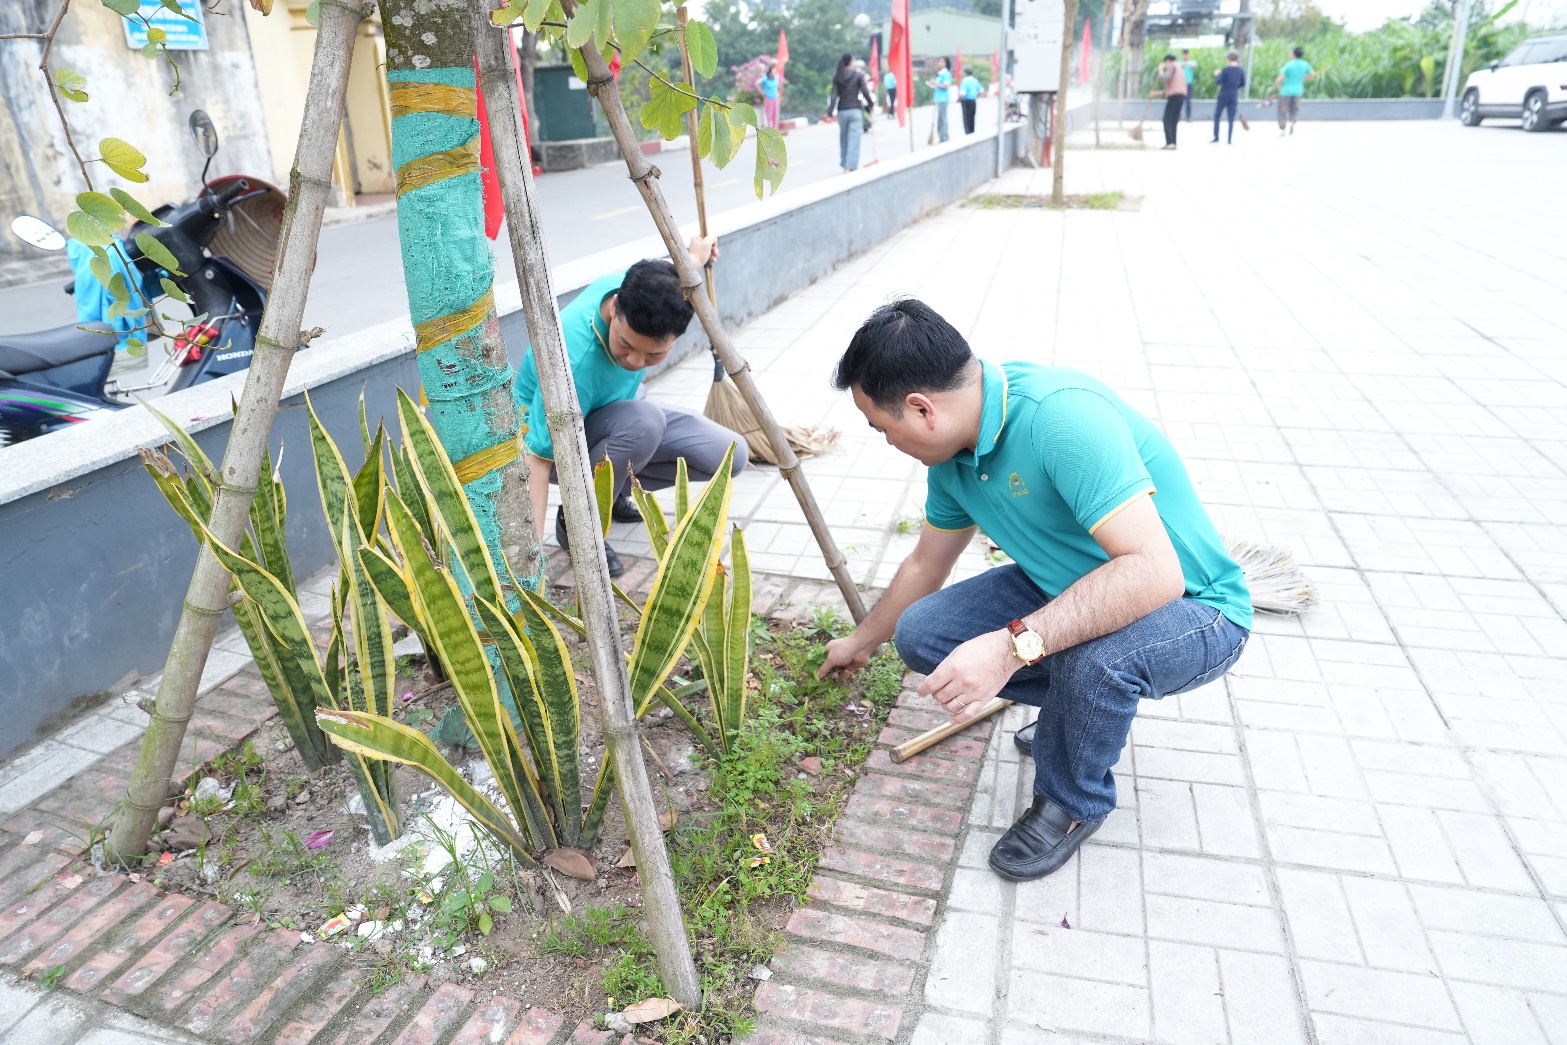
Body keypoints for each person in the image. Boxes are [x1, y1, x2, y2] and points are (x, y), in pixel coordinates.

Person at [818, 300, 1251, 882]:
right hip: (1074, 586)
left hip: (1196, 609)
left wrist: (1007, 647)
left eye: (881, 427)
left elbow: (1155, 574)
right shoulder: (952, 461)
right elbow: (925, 563)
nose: (884, 441)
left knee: (1094, 664)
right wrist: (862, 640)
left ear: (922, 409)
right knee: (924, 633)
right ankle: (1078, 716)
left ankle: (1072, 804)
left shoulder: (1060, 417)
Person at [515, 237, 748, 578]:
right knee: (644, 422)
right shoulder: (572, 362)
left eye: (654, 355)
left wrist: (695, 256)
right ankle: (579, 520)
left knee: (732, 455)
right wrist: (529, 567)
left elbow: (667, 274)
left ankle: (613, 491)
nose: (635, 361)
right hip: (554, 435)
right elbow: (536, 459)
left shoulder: (637, 289)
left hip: (614, 415)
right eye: (626, 345)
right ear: (613, 311)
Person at [826, 52, 875, 172]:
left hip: (842, 111)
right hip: (855, 111)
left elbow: (834, 96)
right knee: (854, 139)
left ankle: (844, 164)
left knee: (843, 138)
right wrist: (871, 105)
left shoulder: (838, 76)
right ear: (851, 62)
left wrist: (830, 112)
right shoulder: (858, 75)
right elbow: (864, 91)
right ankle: (850, 166)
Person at [1272, 45, 1319, 134]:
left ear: (1293, 54)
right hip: (1297, 91)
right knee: (1294, 110)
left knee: (1283, 110)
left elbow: (1281, 77)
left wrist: (1276, 84)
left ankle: (1283, 129)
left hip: (1286, 91)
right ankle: (1292, 124)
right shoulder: (1305, 64)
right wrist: (1304, 78)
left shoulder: (1289, 64)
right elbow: (1312, 74)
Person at [1149, 54, 1188, 149]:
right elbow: (1173, 87)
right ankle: (1173, 143)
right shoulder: (1179, 68)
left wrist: (1160, 70)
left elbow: (1164, 78)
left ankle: (1169, 142)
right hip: (1180, 96)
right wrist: (1157, 93)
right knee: (1174, 120)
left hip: (1174, 97)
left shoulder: (1172, 66)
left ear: (1168, 61)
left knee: (1166, 120)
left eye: (1165, 63)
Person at [1211, 50, 1246, 143]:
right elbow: (1243, 83)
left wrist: (1216, 75)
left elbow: (1218, 82)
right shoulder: (1240, 70)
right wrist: (1235, 87)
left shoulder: (1226, 70)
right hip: (1234, 95)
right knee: (1231, 118)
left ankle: (1216, 137)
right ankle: (1229, 139)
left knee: (1217, 115)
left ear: (1229, 59)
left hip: (1224, 94)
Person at [928, 57, 953, 142]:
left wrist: (936, 83)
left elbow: (945, 86)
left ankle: (944, 136)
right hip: (938, 98)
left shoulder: (946, 74)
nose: (940, 63)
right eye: (939, 62)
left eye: (942, 62)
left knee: (943, 118)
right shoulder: (940, 74)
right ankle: (941, 136)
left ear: (945, 63)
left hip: (943, 99)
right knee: (940, 118)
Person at [959, 67, 982, 134]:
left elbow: (962, 94)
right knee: (972, 118)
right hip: (973, 101)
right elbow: (981, 91)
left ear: (965, 73)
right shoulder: (975, 81)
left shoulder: (965, 81)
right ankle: (972, 132)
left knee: (966, 118)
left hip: (966, 101)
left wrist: (958, 99)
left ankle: (968, 133)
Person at [760, 64, 780, 129]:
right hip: (768, 98)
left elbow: (777, 86)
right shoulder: (765, 78)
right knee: (769, 114)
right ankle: (769, 128)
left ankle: (775, 128)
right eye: (773, 72)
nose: (774, 73)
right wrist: (762, 92)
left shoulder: (776, 78)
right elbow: (757, 83)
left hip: (775, 97)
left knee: (776, 114)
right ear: (770, 72)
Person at [1180, 49, 1198, 121]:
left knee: (1188, 101)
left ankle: (1188, 117)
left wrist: (1186, 63)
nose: (1185, 56)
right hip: (1181, 84)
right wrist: (1183, 63)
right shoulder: (1180, 62)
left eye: (1186, 55)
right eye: (1184, 55)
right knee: (1179, 101)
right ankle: (1178, 116)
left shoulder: (1192, 62)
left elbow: (1194, 65)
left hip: (1188, 84)